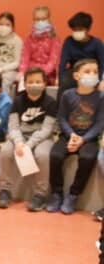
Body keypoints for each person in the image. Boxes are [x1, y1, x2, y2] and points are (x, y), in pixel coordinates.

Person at [47, 59, 104, 215]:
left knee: (87, 158)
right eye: (88, 71)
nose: (92, 74)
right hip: (68, 135)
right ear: (77, 76)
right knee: (55, 155)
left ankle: (73, 195)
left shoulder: (100, 97)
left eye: (95, 71)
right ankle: (56, 193)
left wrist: (83, 139)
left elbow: (100, 123)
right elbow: (62, 118)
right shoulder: (67, 95)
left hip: (89, 138)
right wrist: (71, 135)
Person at [0, 67, 57, 211]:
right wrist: (19, 142)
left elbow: (46, 129)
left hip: (42, 138)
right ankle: (5, 190)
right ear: (25, 84)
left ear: (44, 84)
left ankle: (40, 195)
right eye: (30, 82)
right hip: (20, 136)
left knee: (42, 155)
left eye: (38, 81)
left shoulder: (50, 102)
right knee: (5, 152)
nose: (34, 84)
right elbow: (13, 126)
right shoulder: (17, 101)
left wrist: (29, 145)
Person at [58, 12, 104, 103]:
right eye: (74, 30)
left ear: (88, 29)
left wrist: (99, 79)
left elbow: (102, 64)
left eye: (80, 29)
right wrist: (60, 79)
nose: (77, 32)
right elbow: (62, 62)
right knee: (65, 82)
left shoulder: (97, 43)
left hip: (92, 71)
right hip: (74, 71)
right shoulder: (69, 41)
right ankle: (60, 113)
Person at [18, 6, 61, 85]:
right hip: (30, 71)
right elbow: (25, 58)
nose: (40, 21)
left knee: (39, 82)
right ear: (34, 20)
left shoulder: (54, 38)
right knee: (22, 83)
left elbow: (53, 62)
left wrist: (40, 73)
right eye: (38, 19)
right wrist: (22, 72)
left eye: (43, 19)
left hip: (47, 73)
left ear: (49, 19)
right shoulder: (29, 38)